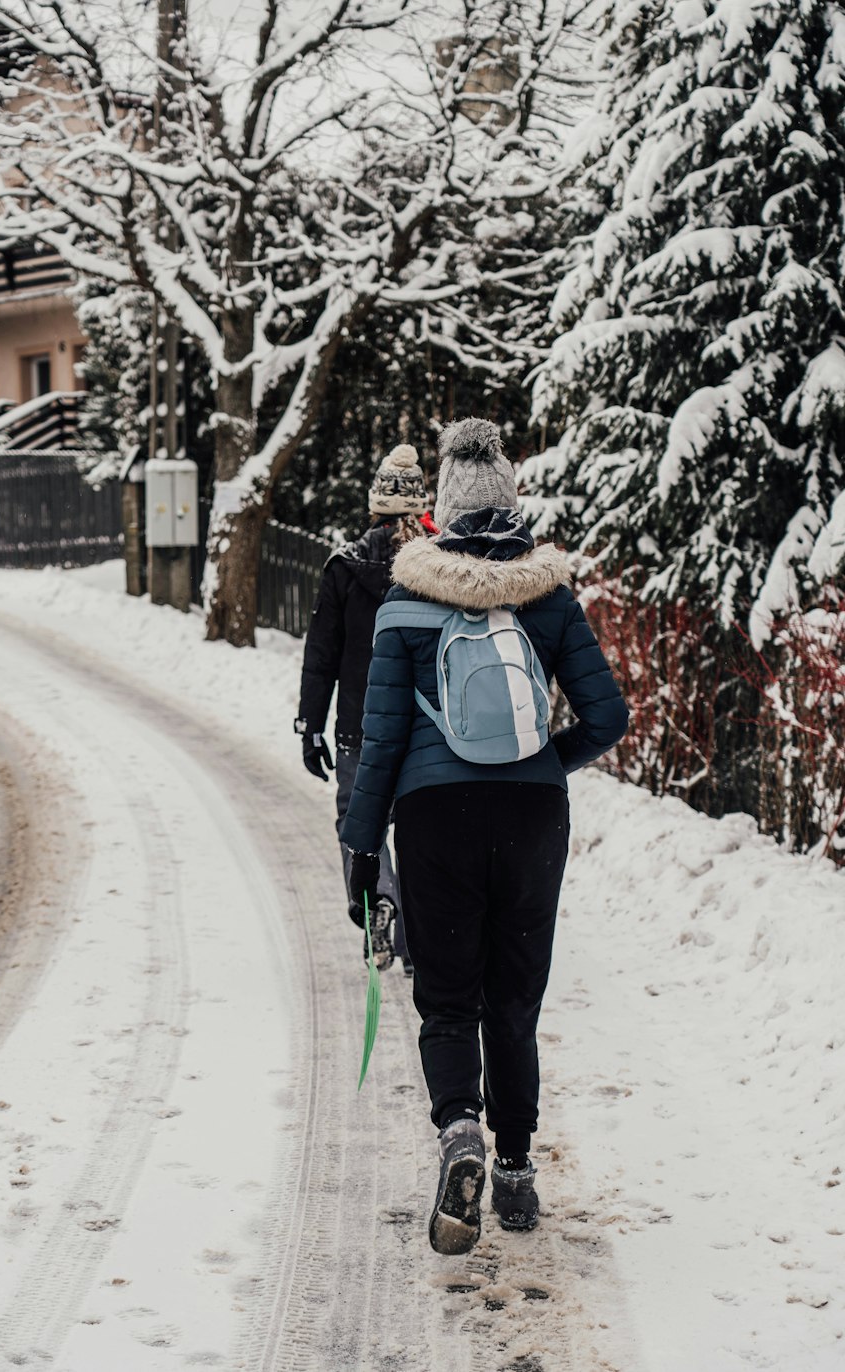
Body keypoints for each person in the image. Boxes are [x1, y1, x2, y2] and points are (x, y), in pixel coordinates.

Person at [340, 417, 628, 1255]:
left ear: (442, 511)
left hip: (434, 818)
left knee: (449, 997)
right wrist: (545, 762)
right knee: (514, 997)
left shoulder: (405, 600)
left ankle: (459, 1131)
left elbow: (382, 740)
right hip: (534, 815)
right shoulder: (548, 596)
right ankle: (515, 1167)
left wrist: (364, 850)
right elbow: (609, 715)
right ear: (510, 501)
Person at [296, 444, 435, 971]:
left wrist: (311, 726)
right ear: (421, 508)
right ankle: (421, 939)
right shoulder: (437, 565)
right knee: (422, 827)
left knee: (361, 823)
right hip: (425, 727)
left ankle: (378, 898)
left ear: (375, 507)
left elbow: (321, 655)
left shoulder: (343, 566)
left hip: (360, 727)